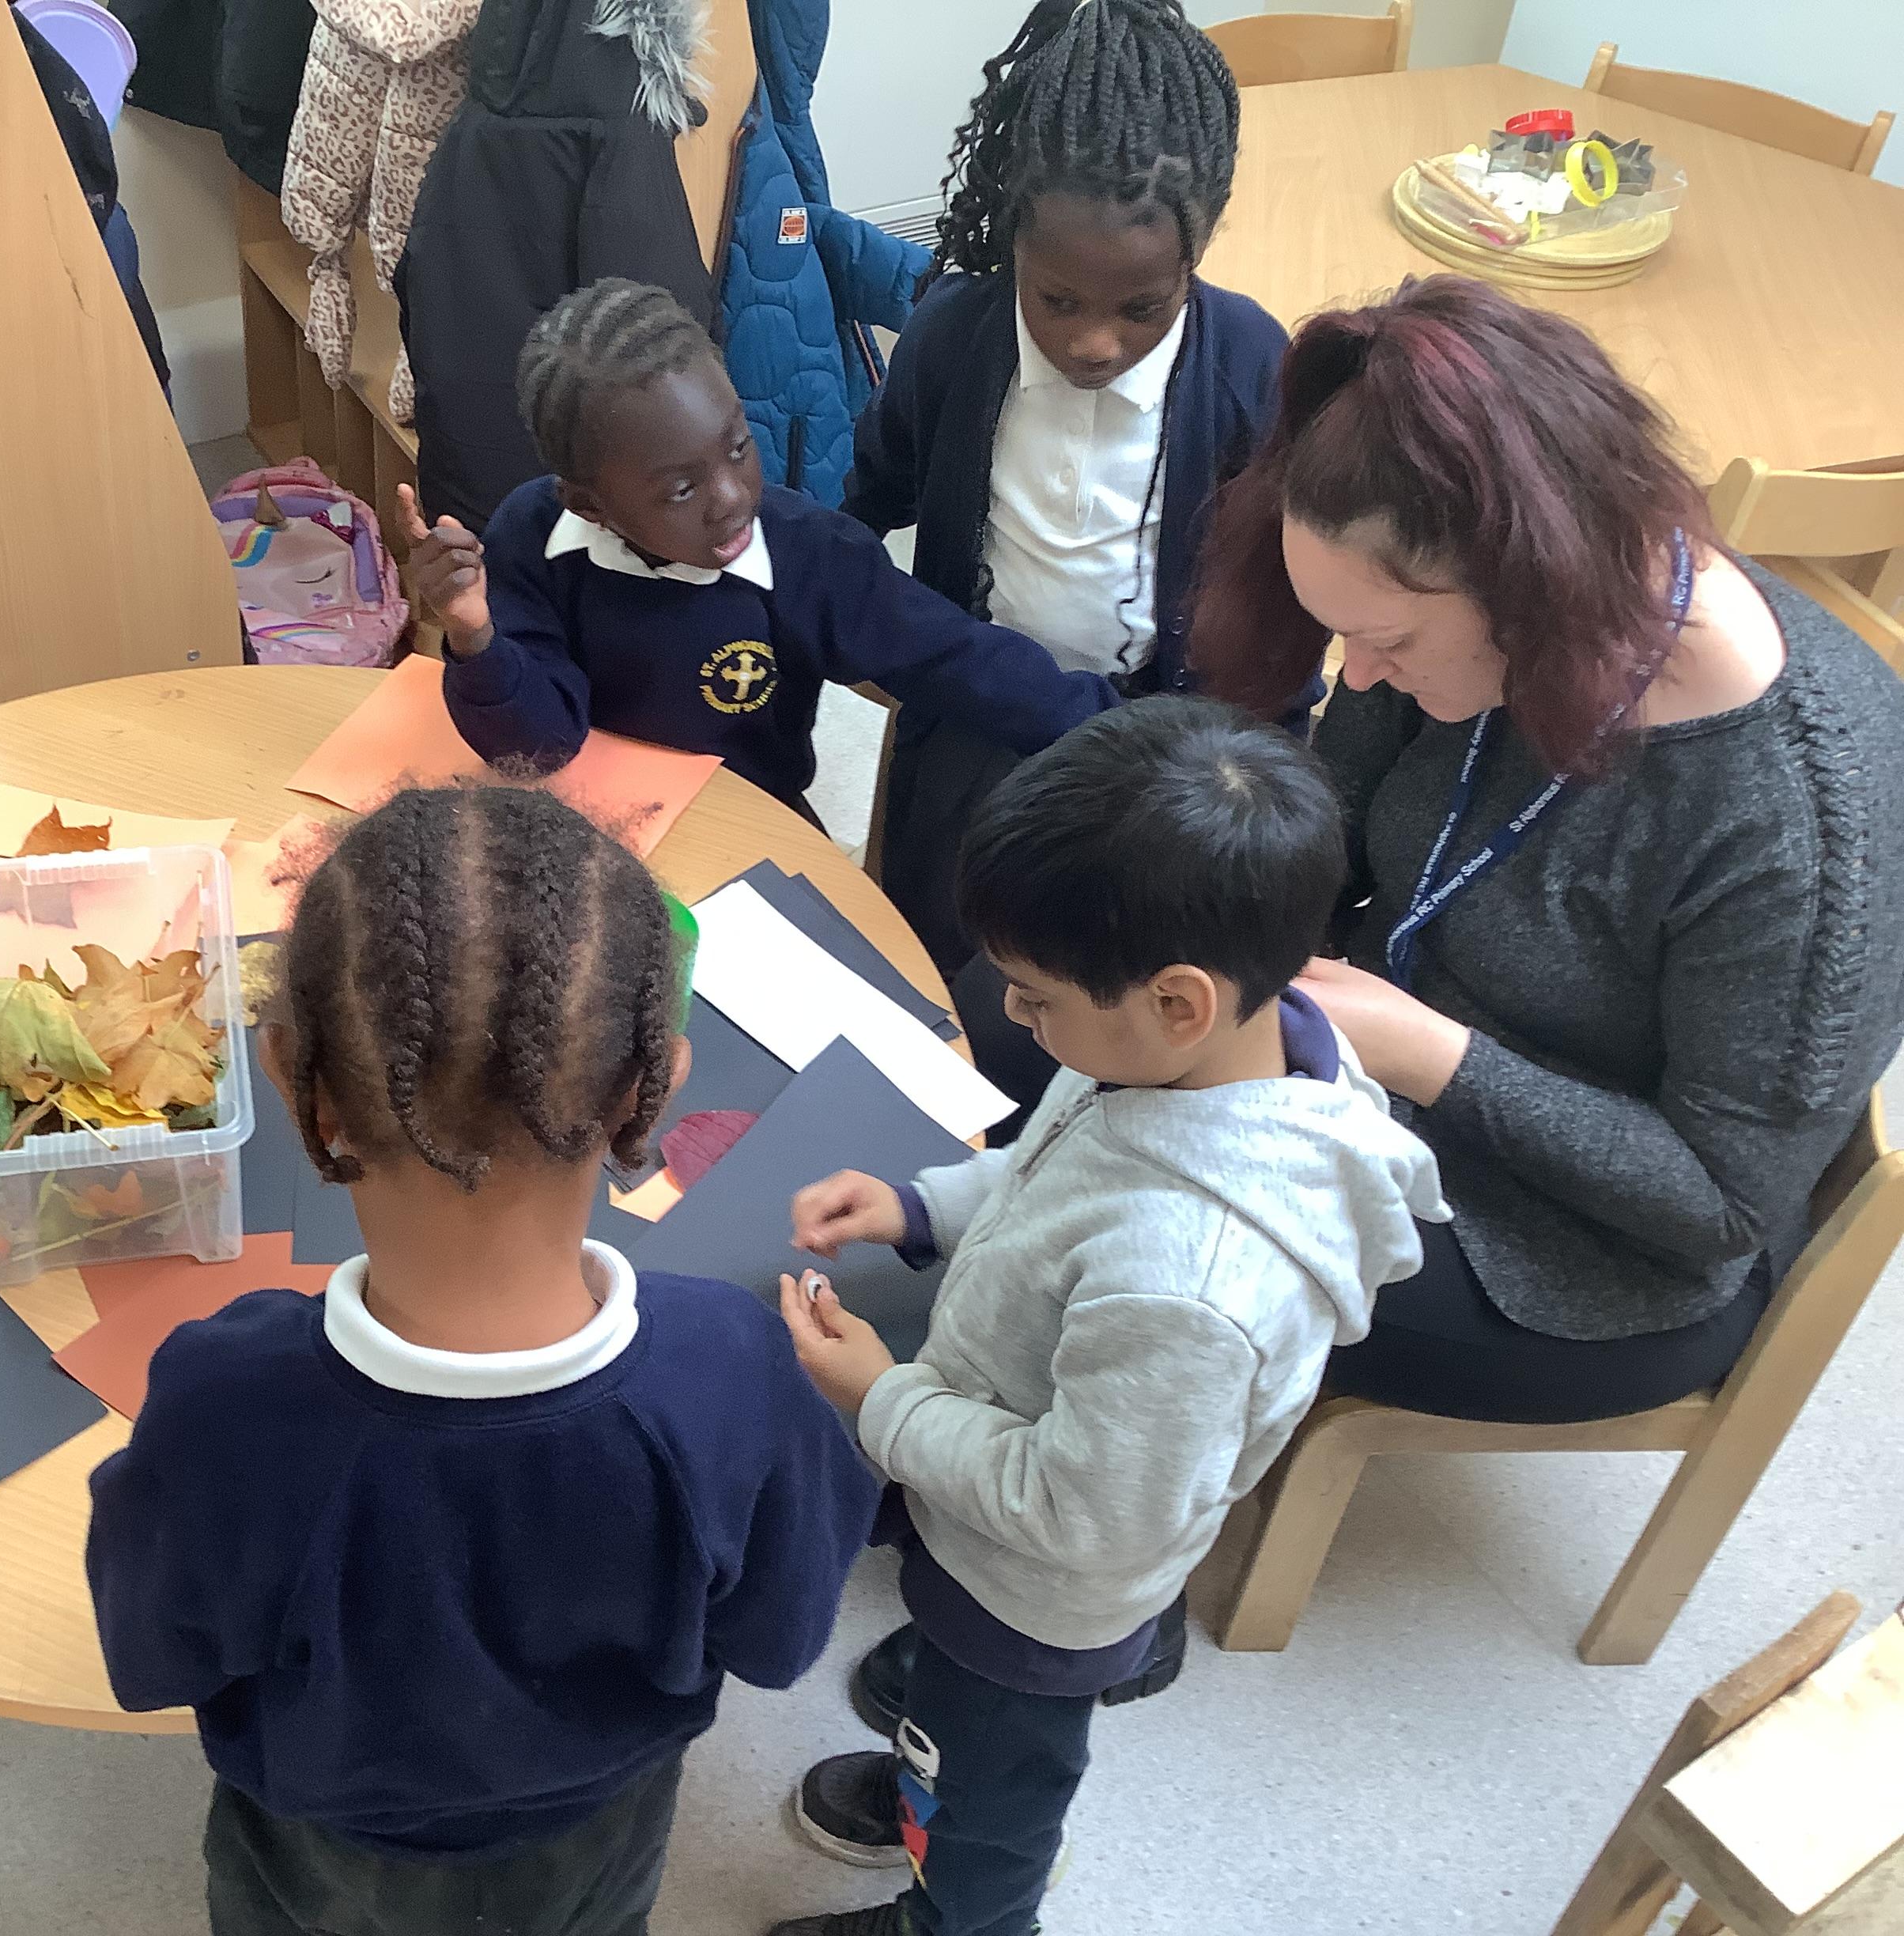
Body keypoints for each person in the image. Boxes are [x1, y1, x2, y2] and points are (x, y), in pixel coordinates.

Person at [85, 785, 877, 1936]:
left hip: (326, 1848)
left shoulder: (223, 1401)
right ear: (652, 1086)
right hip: (599, 1830)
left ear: (293, 1082)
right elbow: (779, 1637)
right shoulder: (739, 1371)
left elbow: (152, 1658)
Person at [766, 699, 1448, 1936]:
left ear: (1179, 1001)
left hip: (1040, 1587)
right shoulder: (1192, 1052)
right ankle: (933, 1756)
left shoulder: (1188, 1287)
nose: (1018, 1018)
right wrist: (922, 1207)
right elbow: (1053, 1175)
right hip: (994, 1501)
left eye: (1034, 999)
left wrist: (882, 1399)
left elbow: (1074, 1513)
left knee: (994, 1795)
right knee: (955, 1713)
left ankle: (959, 1910)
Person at [1192, 274, 1904, 1427]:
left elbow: (1717, 1206)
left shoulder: (1791, 824)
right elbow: (1332, 824)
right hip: (1381, 1057)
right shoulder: (1469, 612)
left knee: (1164, 1231)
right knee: (1046, 1006)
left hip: (1588, 1253)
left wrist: (1427, 1055)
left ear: (1528, 583)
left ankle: (1058, 1516)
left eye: (1384, 642)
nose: (1357, 677)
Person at [844, 0, 1289, 990]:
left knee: (1107, 974)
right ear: (1013, 242)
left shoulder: (1252, 365)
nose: (1093, 342)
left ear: (1199, 249)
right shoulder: (951, 338)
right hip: (977, 709)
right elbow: (870, 495)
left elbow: (1279, 594)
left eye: (1142, 308)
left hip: (1153, 739)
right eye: (1057, 301)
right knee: (934, 960)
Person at [398, 278, 1120, 826]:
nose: (731, 497)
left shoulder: (811, 553)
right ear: (590, 506)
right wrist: (474, 635)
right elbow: (539, 745)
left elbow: (957, 659)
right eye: (681, 489)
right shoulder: (534, 534)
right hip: (586, 828)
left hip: (749, 825)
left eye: (739, 447)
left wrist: (1126, 732)